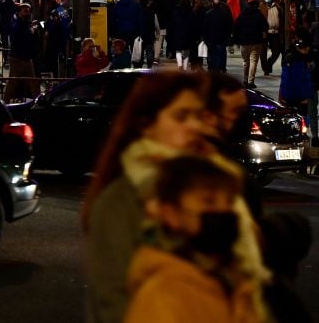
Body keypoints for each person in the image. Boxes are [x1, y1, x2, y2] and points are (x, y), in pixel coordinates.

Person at [82, 71, 268, 323]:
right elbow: (114, 302)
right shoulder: (121, 200)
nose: (195, 126)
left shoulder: (217, 182)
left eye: (198, 116)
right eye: (181, 116)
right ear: (146, 125)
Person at [122, 156, 262, 323]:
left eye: (230, 201)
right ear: (170, 214)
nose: (224, 210)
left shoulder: (232, 281)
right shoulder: (162, 297)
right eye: (208, 201)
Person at [4, 4, 37, 102]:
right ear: (19, 12)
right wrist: (30, 31)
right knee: (12, 83)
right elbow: (18, 37)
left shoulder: (24, 22)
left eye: (28, 11)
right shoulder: (17, 23)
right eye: (25, 11)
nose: (27, 13)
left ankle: (38, 102)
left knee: (33, 82)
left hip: (26, 58)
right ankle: (5, 102)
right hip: (18, 58)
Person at [234, 0, 266, 89]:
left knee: (246, 61)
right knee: (254, 61)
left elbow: (236, 27)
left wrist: (236, 40)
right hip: (256, 41)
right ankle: (251, 81)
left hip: (245, 42)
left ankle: (245, 80)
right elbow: (265, 26)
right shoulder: (259, 15)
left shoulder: (242, 15)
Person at [202, 0, 234, 73]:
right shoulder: (225, 14)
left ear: (212, 4)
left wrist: (205, 38)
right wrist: (228, 36)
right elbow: (229, 26)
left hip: (211, 38)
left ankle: (211, 67)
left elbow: (205, 27)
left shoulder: (208, 14)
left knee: (211, 53)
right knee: (221, 53)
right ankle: (221, 67)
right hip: (222, 37)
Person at [260, 0, 283, 76]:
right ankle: (265, 69)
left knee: (276, 51)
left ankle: (268, 64)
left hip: (275, 33)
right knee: (263, 52)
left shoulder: (277, 7)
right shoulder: (261, 6)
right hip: (265, 33)